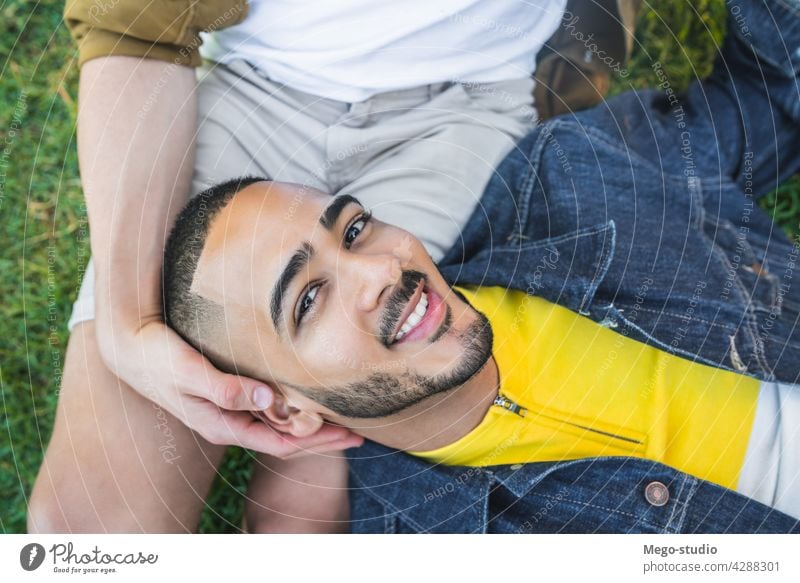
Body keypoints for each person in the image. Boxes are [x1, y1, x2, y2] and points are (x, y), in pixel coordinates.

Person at [161, 0, 800, 534]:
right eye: (306, 300)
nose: (381, 268)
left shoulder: (568, 179)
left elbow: (768, 102)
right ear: (288, 413)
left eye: (354, 229)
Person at [34, 0, 642, 532]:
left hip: (469, 101)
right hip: (257, 83)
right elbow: (135, 26)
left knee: (298, 517)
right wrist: (124, 321)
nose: (380, 275)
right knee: (87, 528)